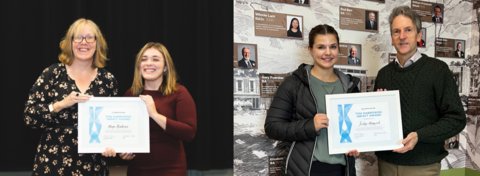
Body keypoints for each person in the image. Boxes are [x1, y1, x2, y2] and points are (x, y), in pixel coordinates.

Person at [374, 6, 466, 176]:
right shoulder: (383, 75)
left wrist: (419, 136)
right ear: (392, 38)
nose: (402, 36)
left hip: (423, 166)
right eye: (396, 31)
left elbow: (456, 118)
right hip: (386, 163)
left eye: (408, 30)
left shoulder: (438, 70)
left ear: (419, 35)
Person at [23, 18, 118, 175]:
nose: (84, 42)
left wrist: (111, 145)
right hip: (53, 160)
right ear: (70, 42)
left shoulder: (107, 80)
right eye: (78, 37)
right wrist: (60, 104)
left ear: (97, 43)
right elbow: (29, 117)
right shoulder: (52, 74)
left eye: (89, 37)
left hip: (93, 163)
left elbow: (111, 123)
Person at [265, 24, 360, 176]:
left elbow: (357, 129)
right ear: (310, 49)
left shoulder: (350, 85)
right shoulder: (293, 84)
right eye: (321, 47)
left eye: (333, 47)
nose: (328, 53)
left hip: (342, 171)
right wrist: (310, 125)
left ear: (339, 49)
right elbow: (272, 127)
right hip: (306, 170)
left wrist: (357, 145)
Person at [121, 42, 197, 176]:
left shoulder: (179, 92)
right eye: (144, 59)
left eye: (155, 59)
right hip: (137, 169)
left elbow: (189, 133)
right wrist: (122, 151)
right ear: (139, 66)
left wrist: (154, 114)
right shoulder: (130, 94)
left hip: (171, 168)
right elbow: (122, 132)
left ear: (165, 68)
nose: (148, 63)